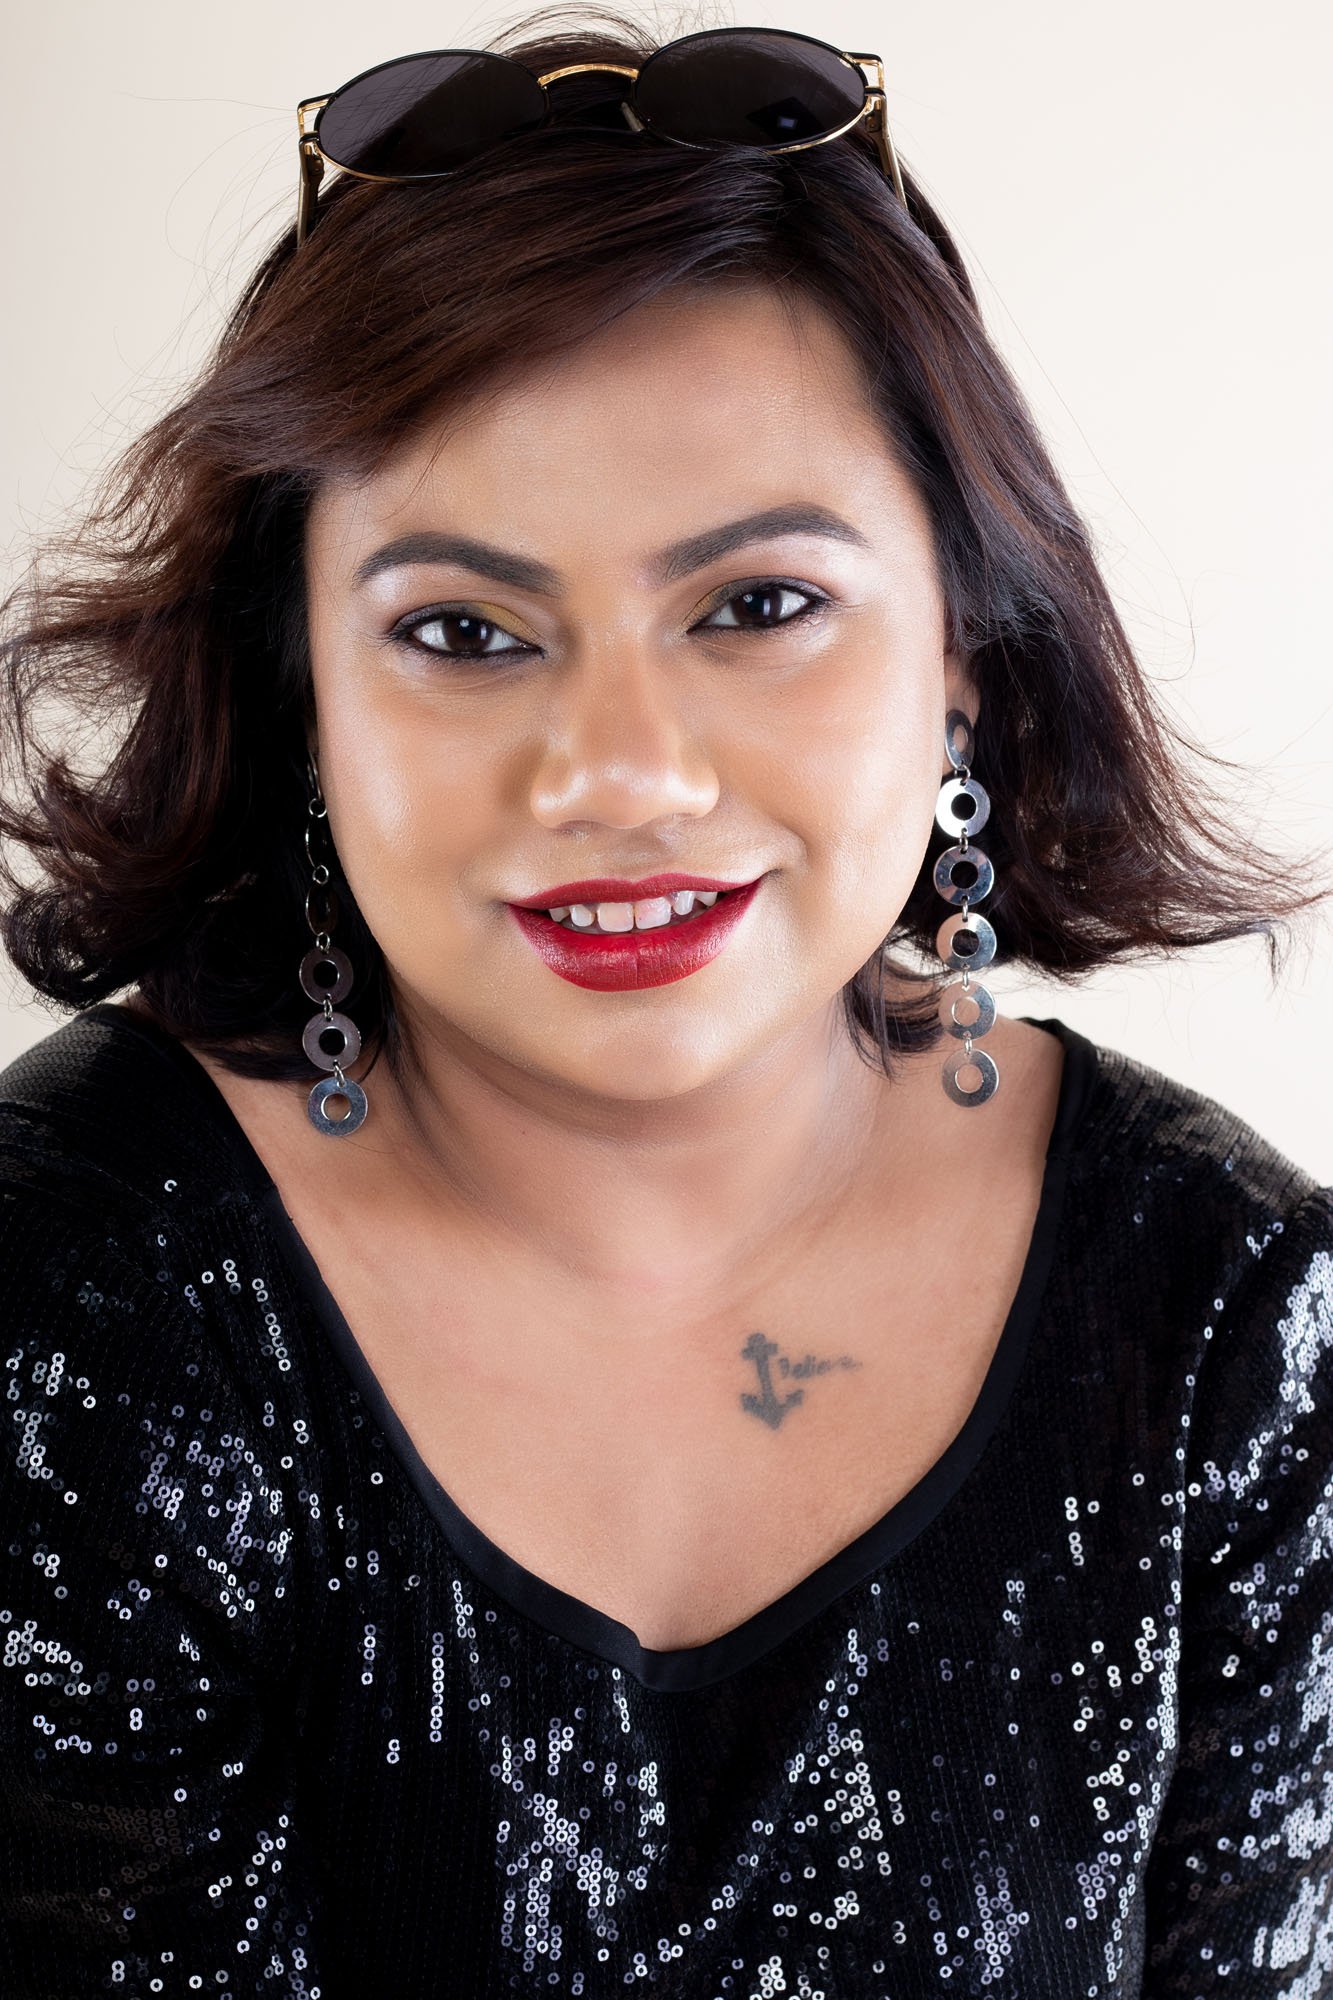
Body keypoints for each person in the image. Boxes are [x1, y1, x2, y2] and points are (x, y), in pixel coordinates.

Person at [1, 8, 1329, 1996]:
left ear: (961, 656)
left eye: (756, 605)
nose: (618, 774)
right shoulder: (73, 1291)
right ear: (301, 695)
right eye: (464, 631)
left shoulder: (1228, 1312)